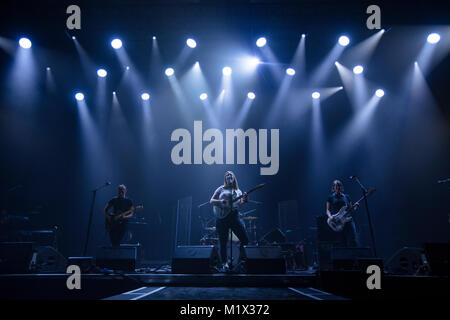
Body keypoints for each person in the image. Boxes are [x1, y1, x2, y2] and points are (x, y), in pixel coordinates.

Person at [210, 171, 249, 271]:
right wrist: (221, 201)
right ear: (225, 179)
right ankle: (224, 264)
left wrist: (245, 200)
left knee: (245, 239)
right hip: (222, 218)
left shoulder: (238, 191)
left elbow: (240, 204)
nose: (228, 176)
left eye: (230, 174)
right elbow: (212, 201)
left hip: (234, 216)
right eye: (227, 175)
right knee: (223, 242)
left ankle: (241, 261)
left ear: (234, 177)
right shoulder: (220, 189)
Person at [326, 180, 359, 247]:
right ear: (333, 187)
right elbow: (327, 210)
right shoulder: (330, 197)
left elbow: (351, 210)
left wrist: (356, 206)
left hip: (348, 220)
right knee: (342, 241)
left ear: (341, 187)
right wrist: (330, 217)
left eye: (339, 185)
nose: (338, 187)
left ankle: (354, 256)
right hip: (338, 221)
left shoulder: (346, 197)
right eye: (336, 185)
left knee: (353, 239)